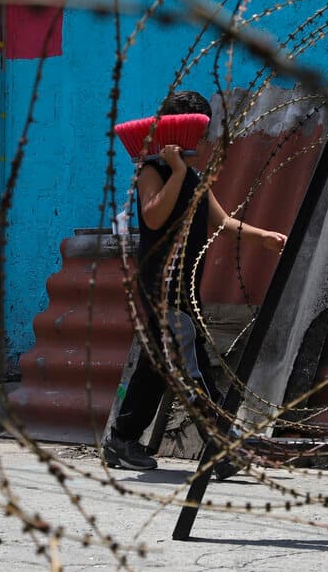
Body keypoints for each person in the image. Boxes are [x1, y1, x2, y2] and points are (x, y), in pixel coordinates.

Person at [103, 91, 287, 471]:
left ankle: (121, 439)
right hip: (162, 287)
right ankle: (220, 446)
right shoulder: (151, 172)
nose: (202, 142)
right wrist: (178, 171)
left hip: (185, 285)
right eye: (197, 133)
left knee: (158, 367)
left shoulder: (194, 176)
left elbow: (220, 220)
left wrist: (263, 236)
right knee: (192, 365)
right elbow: (154, 217)